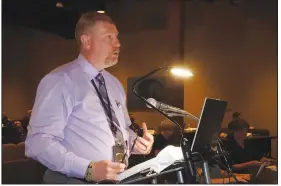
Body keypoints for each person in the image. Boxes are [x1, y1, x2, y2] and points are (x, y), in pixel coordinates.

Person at [25, 12, 154, 184]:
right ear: (86, 41)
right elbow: (38, 143)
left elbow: (121, 130)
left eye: (117, 37)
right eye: (109, 37)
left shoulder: (114, 84)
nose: (118, 43)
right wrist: (88, 169)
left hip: (117, 179)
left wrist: (135, 143)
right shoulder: (60, 80)